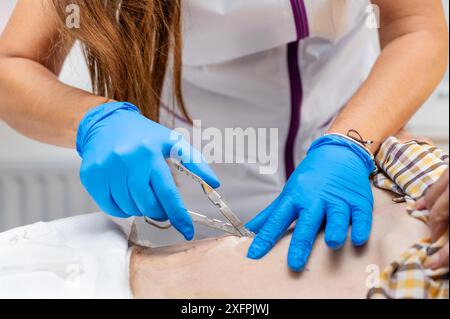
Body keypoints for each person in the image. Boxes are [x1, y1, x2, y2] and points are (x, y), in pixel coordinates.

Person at [0, 0, 448, 271]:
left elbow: (416, 27)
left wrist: (350, 142)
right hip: (180, 200)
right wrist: (94, 120)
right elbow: (12, 65)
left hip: (347, 175)